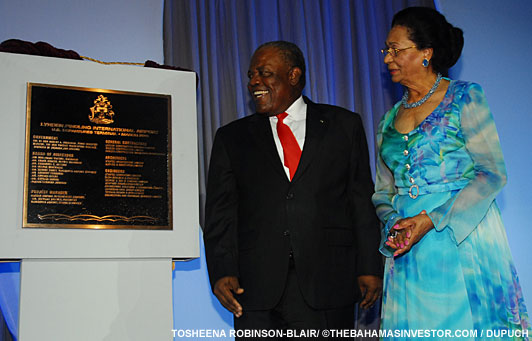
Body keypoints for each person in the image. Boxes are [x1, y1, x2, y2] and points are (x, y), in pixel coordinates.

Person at [204, 40, 382, 336]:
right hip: (255, 288)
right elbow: (220, 212)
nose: (254, 82)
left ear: (293, 75)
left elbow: (360, 201)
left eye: (265, 73)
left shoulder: (343, 125)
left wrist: (370, 266)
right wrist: (222, 270)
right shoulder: (231, 137)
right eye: (250, 75)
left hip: (327, 282)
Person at [373, 6, 530, 335]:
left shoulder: (464, 98)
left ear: (425, 53)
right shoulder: (387, 121)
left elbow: (492, 173)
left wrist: (429, 219)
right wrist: (393, 222)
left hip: (460, 237)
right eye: (386, 50)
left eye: (396, 49)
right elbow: (382, 191)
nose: (387, 57)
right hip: (409, 250)